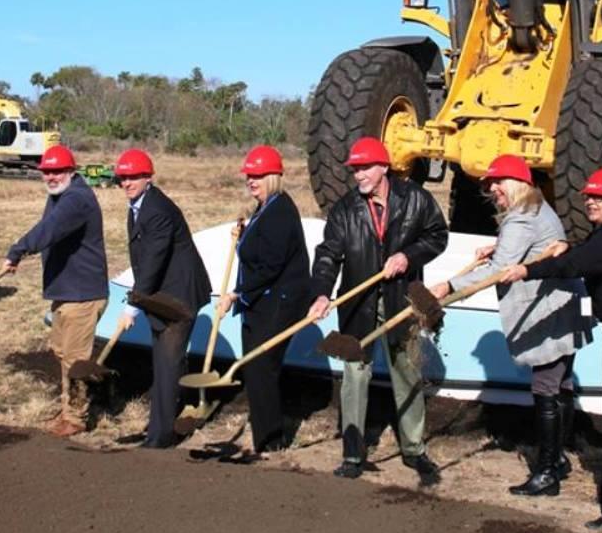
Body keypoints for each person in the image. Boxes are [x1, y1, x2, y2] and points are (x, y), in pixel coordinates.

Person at [500, 167, 602, 529]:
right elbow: (584, 252)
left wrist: (527, 270)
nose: (590, 200)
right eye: (588, 195)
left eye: (599, 196)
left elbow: (573, 265)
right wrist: (567, 245)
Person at [432, 154, 590, 497]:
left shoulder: (521, 217)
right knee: (560, 386)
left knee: (546, 390)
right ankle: (558, 460)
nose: (492, 190)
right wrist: (500, 247)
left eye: (497, 183)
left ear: (515, 182)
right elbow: (521, 250)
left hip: (547, 314)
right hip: (562, 310)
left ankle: (547, 473)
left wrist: (448, 287)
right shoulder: (537, 208)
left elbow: (500, 270)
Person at [308, 137, 448, 485]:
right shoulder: (344, 210)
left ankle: (414, 449)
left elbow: (438, 235)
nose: (359, 175)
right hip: (359, 306)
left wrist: (409, 256)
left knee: (407, 372)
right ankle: (353, 453)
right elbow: (328, 255)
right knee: (355, 376)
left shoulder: (415, 198)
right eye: (355, 169)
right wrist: (322, 293)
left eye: (365, 167)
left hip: (403, 304)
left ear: (384, 166)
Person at [4, 145, 108, 437]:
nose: (51, 176)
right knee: (63, 352)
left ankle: (75, 419)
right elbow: (46, 226)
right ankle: (68, 408)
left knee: (75, 361)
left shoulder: (76, 199)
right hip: (66, 291)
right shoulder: (61, 195)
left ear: (71, 171)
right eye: (46, 172)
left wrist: (17, 251)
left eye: (57, 171)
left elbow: (49, 229)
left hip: (82, 294)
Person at [217, 145, 311, 454]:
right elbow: (260, 249)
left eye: (257, 175)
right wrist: (246, 233)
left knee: (261, 367)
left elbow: (271, 265)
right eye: (249, 176)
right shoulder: (265, 208)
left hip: (278, 302)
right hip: (261, 302)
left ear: (273, 177)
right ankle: (265, 437)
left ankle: (271, 440)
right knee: (256, 369)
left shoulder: (281, 210)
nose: (251, 181)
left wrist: (236, 293)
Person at [117, 148, 211, 449]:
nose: (127, 183)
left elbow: (154, 261)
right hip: (162, 297)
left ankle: (161, 436)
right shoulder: (138, 205)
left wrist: (132, 306)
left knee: (168, 363)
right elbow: (143, 261)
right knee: (162, 361)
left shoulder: (157, 210)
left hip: (179, 299)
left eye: (133, 177)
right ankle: (158, 425)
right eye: (123, 177)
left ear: (148, 177)